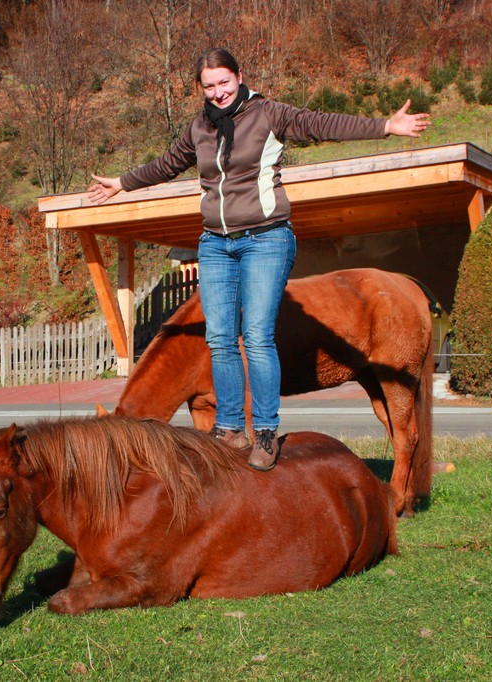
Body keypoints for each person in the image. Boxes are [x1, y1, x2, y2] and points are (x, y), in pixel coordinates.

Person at [88, 48, 430, 471]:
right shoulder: (199, 128)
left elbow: (321, 124)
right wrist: (122, 183)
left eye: (224, 82)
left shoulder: (267, 114)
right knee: (219, 338)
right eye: (209, 86)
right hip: (215, 243)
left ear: (239, 77)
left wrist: (385, 126)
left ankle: (265, 431)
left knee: (256, 336)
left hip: (266, 239)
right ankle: (230, 428)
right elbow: (167, 165)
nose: (217, 92)